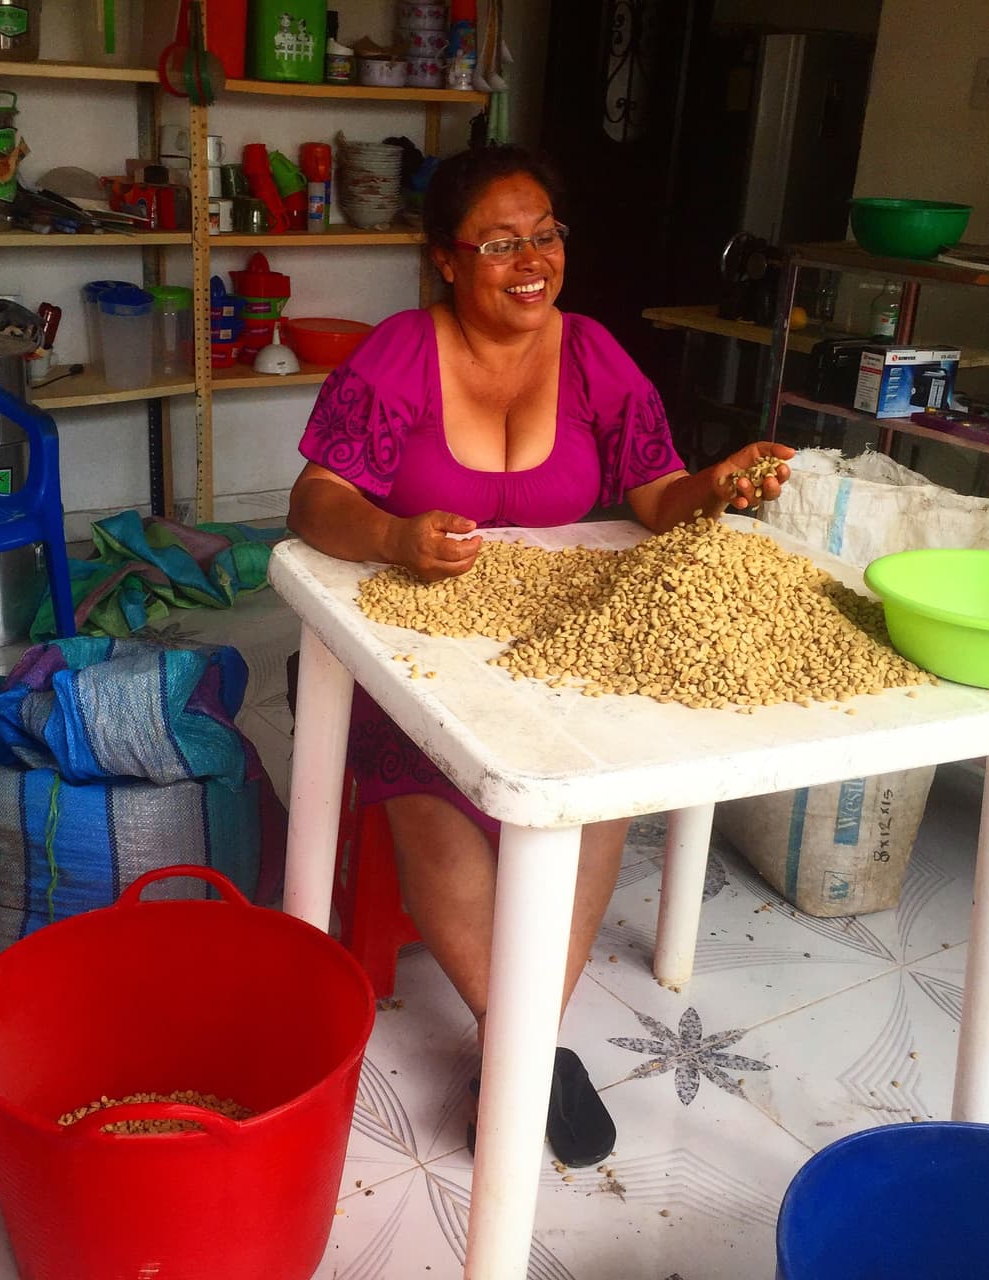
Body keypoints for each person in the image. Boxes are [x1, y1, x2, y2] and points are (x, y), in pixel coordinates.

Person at [287, 143, 793, 1167]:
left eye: (546, 235)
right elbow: (314, 501)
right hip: (418, 637)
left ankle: (513, 1054)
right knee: (426, 780)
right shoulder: (398, 354)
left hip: (557, 637)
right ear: (444, 259)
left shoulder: (595, 354)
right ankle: (530, 1052)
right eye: (499, 243)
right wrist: (392, 537)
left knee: (595, 786)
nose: (531, 261)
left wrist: (716, 484)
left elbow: (656, 496)